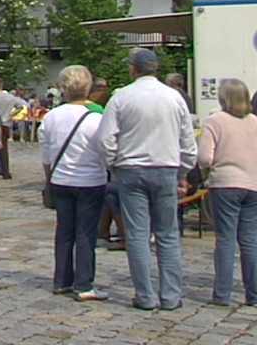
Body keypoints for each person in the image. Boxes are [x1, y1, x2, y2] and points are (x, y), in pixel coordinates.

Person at [95, 48, 196, 311]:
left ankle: (145, 294)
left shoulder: (122, 97)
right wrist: (183, 172)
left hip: (131, 168)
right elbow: (188, 142)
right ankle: (171, 295)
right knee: (167, 234)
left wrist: (113, 165)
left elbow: (104, 139)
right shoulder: (174, 98)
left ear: (133, 69)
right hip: (165, 167)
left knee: (138, 234)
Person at [40, 65, 108, 302]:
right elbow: (106, 151)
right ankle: (84, 283)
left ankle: (61, 280)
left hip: (61, 179)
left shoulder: (51, 117)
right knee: (86, 233)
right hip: (90, 180)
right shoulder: (97, 119)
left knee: (64, 231)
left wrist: (49, 178)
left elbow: (46, 156)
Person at [198, 78, 257, 306]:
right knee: (250, 240)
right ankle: (253, 293)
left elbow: (205, 157)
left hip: (226, 183)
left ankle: (222, 293)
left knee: (225, 239)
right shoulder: (255, 122)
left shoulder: (215, 121)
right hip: (252, 184)